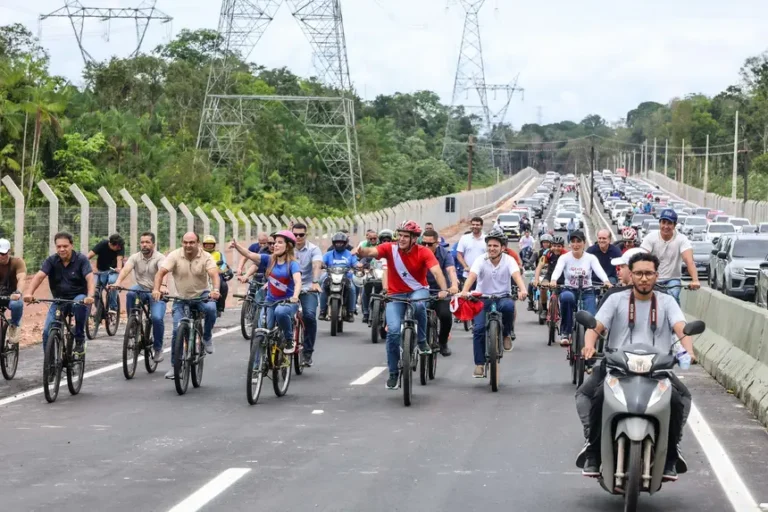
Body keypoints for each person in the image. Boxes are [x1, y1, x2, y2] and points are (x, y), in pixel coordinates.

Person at [577, 252, 693, 481]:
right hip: (617, 367)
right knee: (591, 396)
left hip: (657, 370)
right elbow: (596, 326)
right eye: (638, 273)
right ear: (630, 275)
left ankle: (671, 453)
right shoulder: (616, 299)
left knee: (680, 399)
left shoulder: (667, 301)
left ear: (656, 276)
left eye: (648, 273)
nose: (643, 278)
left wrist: (689, 350)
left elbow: (681, 327)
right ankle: (593, 450)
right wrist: (588, 346)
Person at [354, 220, 449, 390]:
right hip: (395, 294)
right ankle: (393, 374)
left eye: (406, 236)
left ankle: (422, 341)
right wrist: (361, 251)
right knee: (393, 332)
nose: (402, 239)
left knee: (419, 306)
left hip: (418, 290)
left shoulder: (424, 252)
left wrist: (444, 290)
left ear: (414, 239)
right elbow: (372, 251)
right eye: (400, 235)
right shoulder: (390, 248)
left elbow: (436, 272)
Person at [460, 228, 527, 377]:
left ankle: (506, 334)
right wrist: (465, 291)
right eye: (489, 245)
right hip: (482, 298)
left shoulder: (509, 260)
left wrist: (523, 290)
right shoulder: (480, 260)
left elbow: (516, 276)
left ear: (503, 248)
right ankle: (479, 364)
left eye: (495, 246)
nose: (492, 248)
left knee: (509, 306)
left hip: (503, 297)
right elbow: (472, 276)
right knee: (478, 329)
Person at [152, 232, 220, 379]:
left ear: (198, 243)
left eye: (192, 242)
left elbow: (214, 274)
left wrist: (215, 290)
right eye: (185, 242)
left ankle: (207, 337)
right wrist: (156, 289)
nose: (188, 245)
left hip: (201, 295)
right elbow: (160, 273)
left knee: (211, 309)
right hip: (180, 298)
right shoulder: (175, 255)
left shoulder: (206, 257)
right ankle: (175, 367)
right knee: (177, 330)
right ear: (182, 243)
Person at [231, 231, 302, 354]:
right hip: (270, 301)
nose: (275, 245)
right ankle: (259, 362)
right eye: (275, 242)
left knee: (280, 312)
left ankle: (289, 340)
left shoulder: (292, 264)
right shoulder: (269, 260)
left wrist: (295, 296)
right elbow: (249, 254)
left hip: (287, 302)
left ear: (288, 246)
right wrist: (237, 246)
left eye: (280, 242)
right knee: (264, 330)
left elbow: (298, 281)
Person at [25, 232, 95, 354]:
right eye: (59, 246)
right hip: (59, 300)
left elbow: (90, 278)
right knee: (47, 331)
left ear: (71, 245)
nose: (62, 249)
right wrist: (29, 293)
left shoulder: (81, 260)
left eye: (65, 246)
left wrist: (90, 296)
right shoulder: (51, 260)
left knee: (79, 305)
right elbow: (39, 276)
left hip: (78, 298)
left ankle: (79, 339)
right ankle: (49, 362)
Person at [111, 232, 167, 363]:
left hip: (156, 291)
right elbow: (126, 270)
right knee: (131, 293)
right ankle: (133, 323)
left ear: (153, 244)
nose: (144, 245)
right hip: (141, 288)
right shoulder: (135, 257)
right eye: (142, 242)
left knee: (156, 318)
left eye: (147, 242)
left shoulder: (160, 258)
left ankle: (158, 348)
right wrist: (117, 282)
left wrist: (162, 286)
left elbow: (162, 272)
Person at [549, 230, 611, 346]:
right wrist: (553, 280)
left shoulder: (591, 258)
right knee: (566, 298)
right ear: (569, 244)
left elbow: (599, 270)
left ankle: (590, 340)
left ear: (584, 243)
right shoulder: (564, 258)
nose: (576, 245)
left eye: (579, 241)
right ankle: (565, 333)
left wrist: (606, 281)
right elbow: (558, 270)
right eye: (573, 242)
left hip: (587, 291)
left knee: (591, 316)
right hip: (569, 289)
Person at [640, 209, 700, 303]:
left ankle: (675, 312)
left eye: (669, 223)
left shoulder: (681, 239)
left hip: (673, 279)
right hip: (653, 279)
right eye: (663, 222)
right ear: (659, 223)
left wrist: (695, 280)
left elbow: (689, 261)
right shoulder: (650, 238)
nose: (666, 226)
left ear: (674, 225)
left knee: (672, 296)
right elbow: (641, 258)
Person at [422, 229, 459, 356]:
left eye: (429, 244)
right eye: (423, 243)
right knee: (415, 313)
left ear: (437, 243)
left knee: (446, 316)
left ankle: (443, 342)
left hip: (440, 292)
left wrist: (453, 286)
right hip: (421, 291)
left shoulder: (445, 254)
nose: (426, 246)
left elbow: (451, 270)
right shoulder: (416, 252)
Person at [291, 223, 323, 366]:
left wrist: (315, 282)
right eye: (295, 235)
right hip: (289, 288)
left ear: (306, 235)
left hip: (308, 287)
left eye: (301, 235)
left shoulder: (313, 249)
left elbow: (316, 264)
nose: (298, 237)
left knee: (309, 316)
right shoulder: (287, 248)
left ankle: (307, 352)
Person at [319, 232, 358, 322]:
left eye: (341, 242)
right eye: (337, 242)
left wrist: (358, 265)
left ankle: (350, 312)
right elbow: (322, 262)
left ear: (345, 243)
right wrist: (321, 264)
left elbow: (355, 263)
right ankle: (322, 311)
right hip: (330, 276)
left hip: (346, 277)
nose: (339, 244)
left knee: (352, 288)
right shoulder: (328, 254)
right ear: (333, 243)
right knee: (323, 287)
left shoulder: (350, 254)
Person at [87, 233, 124, 321]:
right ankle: (101, 312)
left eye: (120, 246)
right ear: (111, 244)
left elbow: (119, 259)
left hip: (113, 270)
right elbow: (89, 256)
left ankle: (113, 307)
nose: (119, 248)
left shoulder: (120, 246)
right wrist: (87, 267)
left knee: (112, 282)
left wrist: (119, 269)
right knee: (95, 291)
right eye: (117, 246)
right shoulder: (102, 244)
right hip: (101, 270)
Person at [0, 239, 26, 346]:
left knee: (17, 304)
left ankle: (14, 325)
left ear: (9, 252)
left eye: (3, 253)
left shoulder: (17, 262)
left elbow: (21, 279)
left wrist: (18, 292)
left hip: (12, 296)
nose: (1, 256)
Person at [201, 235, 232, 316]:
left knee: (223, 286)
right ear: (203, 245)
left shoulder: (218, 254)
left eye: (211, 244)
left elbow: (224, 264)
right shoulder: (200, 253)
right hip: (202, 274)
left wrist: (220, 270)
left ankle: (220, 307)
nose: (209, 245)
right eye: (207, 244)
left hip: (216, 274)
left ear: (214, 245)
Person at [527, 234, 552, 311]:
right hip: (539, 274)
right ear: (541, 243)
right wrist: (529, 264)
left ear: (550, 243)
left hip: (550, 275)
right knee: (530, 285)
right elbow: (531, 261)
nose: (546, 244)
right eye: (544, 242)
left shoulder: (553, 253)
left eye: (547, 242)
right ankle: (531, 302)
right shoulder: (537, 253)